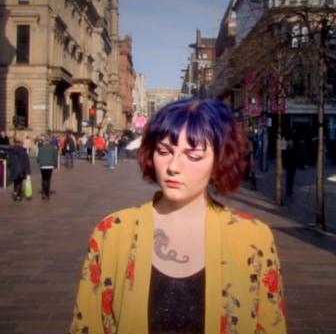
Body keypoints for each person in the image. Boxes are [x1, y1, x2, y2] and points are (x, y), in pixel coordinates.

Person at [69, 98, 287, 334]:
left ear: (219, 160)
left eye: (193, 156)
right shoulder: (112, 232)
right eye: (164, 151)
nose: (173, 166)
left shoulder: (253, 238)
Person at [37, 135, 58, 200]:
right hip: (50, 166)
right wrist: (55, 166)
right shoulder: (53, 148)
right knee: (48, 180)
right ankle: (47, 194)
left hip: (43, 166)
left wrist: (40, 161)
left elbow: (38, 158)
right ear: (49, 141)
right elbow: (55, 158)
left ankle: (43, 193)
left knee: (44, 179)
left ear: (44, 141)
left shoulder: (41, 148)